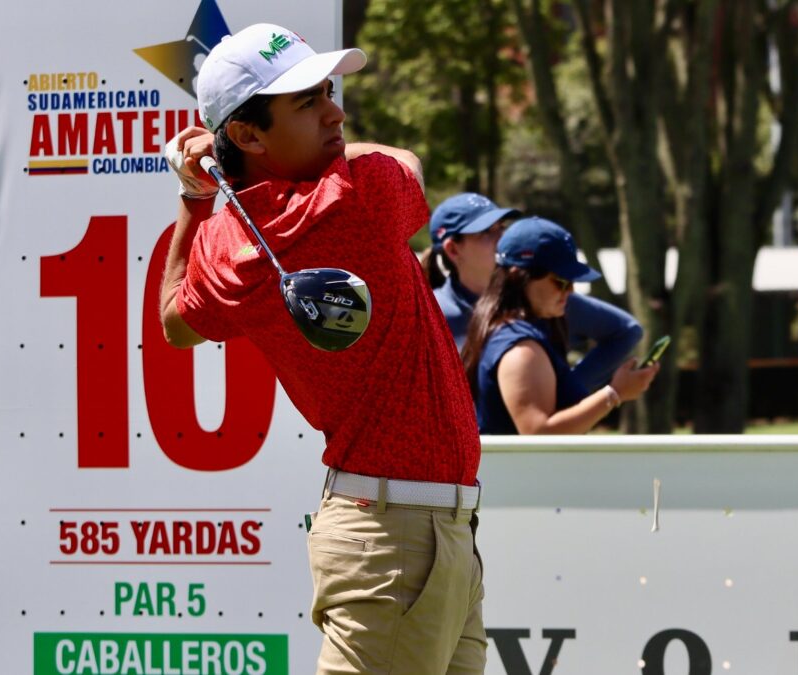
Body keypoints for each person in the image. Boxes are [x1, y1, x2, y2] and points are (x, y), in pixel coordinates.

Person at [159, 24, 485, 674]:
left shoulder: (232, 247)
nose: (336, 112)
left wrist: (196, 197)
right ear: (249, 134)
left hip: (415, 531)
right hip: (393, 537)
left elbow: (175, 319)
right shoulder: (363, 192)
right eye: (307, 103)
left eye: (327, 92)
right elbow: (410, 163)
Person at [424, 192, 644, 389]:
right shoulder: (428, 316)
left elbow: (627, 330)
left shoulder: (541, 297)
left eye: (501, 228)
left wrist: (569, 390)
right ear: (453, 250)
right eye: (486, 233)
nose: (501, 238)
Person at [461, 217, 659, 434]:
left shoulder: (510, 332)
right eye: (562, 282)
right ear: (519, 276)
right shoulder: (521, 350)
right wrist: (614, 394)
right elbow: (538, 433)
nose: (571, 291)